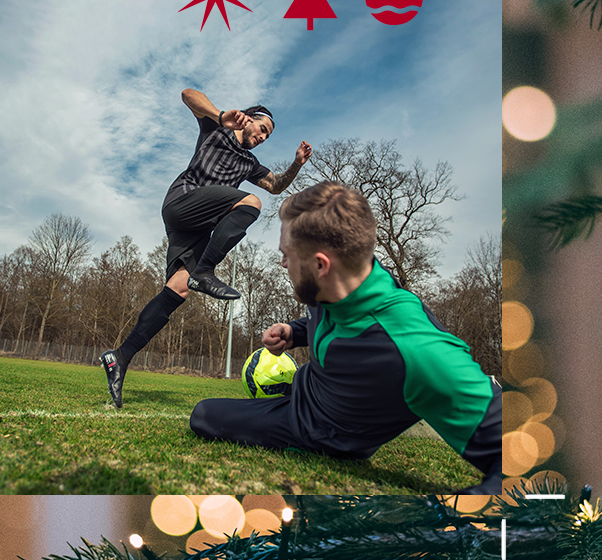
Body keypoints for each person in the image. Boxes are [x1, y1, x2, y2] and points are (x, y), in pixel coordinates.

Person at [190, 181, 502, 494]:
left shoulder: (414, 349)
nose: (283, 263)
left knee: (204, 415)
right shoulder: (343, 278)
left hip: (321, 431)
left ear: (320, 265)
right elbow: (333, 320)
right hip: (308, 389)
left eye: (286, 254)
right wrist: (294, 332)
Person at [100, 88, 312, 408]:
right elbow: (188, 95)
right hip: (182, 202)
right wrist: (220, 116)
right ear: (248, 120)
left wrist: (296, 164)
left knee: (178, 289)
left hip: (195, 228)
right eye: (263, 129)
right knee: (250, 202)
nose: (264, 137)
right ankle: (205, 271)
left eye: (269, 136)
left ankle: (120, 357)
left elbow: (277, 185)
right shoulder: (217, 129)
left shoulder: (250, 164)